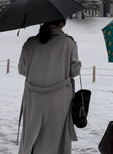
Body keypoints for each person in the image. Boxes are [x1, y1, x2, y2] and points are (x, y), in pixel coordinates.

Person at [18, 19, 81, 154]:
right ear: (61, 23)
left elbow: (22, 70)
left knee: (32, 135)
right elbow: (74, 71)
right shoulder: (68, 43)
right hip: (59, 100)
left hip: (33, 99)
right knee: (56, 137)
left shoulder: (30, 43)